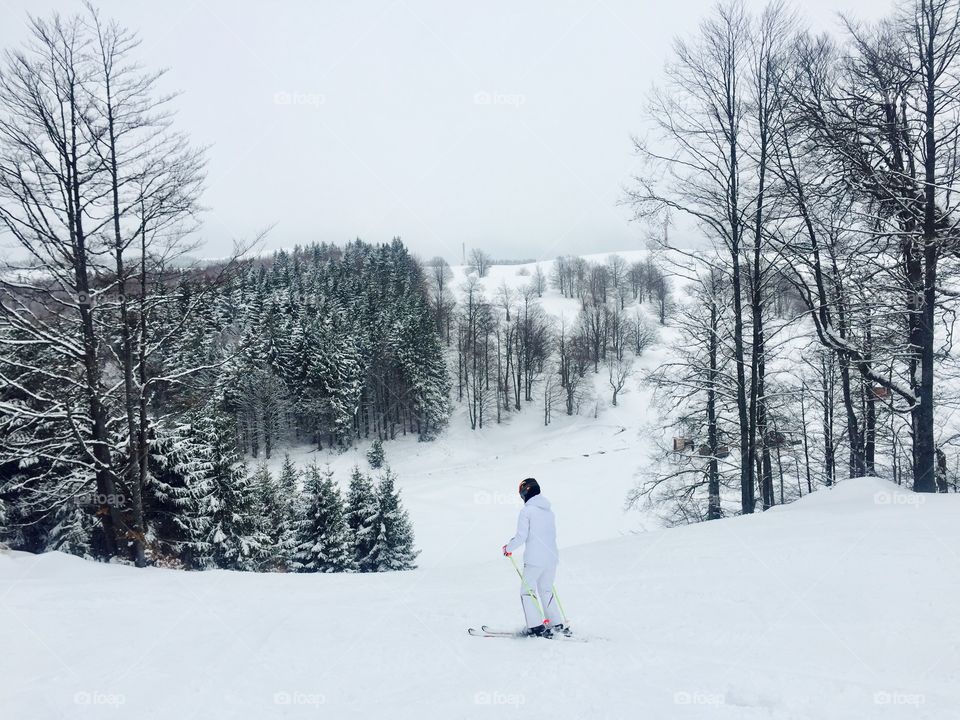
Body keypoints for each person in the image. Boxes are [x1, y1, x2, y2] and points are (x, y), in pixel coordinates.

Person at [502, 478, 564, 637]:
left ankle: (536, 627)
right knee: (547, 590)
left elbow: (521, 536)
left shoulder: (527, 511)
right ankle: (556, 624)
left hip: (535, 560)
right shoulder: (549, 512)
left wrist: (508, 548)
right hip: (551, 559)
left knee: (527, 592)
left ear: (525, 492)